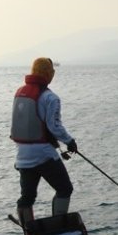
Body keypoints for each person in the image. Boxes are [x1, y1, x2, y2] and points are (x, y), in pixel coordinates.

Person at [10, 57, 77, 224]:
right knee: (64, 188)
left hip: (23, 156)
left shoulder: (20, 93)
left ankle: (28, 232)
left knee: (27, 196)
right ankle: (57, 226)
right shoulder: (50, 98)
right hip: (44, 155)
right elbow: (54, 126)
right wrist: (69, 141)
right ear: (49, 74)